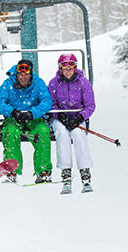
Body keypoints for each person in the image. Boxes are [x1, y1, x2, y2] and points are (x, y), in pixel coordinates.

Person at [0, 59, 53, 183]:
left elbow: (47, 101)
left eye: (26, 74)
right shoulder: (9, 83)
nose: (23, 77)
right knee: (10, 132)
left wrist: (33, 113)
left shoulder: (38, 83)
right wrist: (12, 112)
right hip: (14, 118)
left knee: (42, 131)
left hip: (33, 118)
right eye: (20, 74)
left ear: (31, 74)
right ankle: (12, 170)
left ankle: (43, 170)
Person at [47, 53, 96, 190]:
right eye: (64, 67)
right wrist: (61, 116)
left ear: (75, 68)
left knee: (79, 134)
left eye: (71, 67)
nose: (68, 71)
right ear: (60, 68)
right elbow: (51, 104)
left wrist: (80, 118)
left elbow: (90, 105)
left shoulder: (83, 83)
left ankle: (85, 170)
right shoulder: (54, 83)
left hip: (77, 116)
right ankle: (66, 170)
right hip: (60, 117)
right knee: (62, 134)